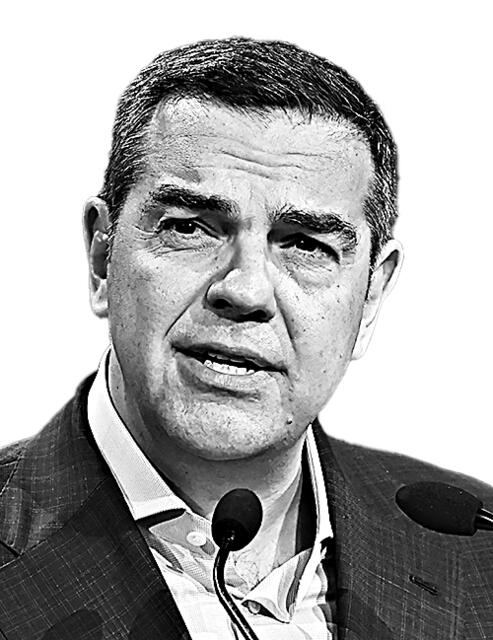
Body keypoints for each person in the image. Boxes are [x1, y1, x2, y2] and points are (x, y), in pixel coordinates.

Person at [0, 37, 491, 640]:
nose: (246, 289)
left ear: (371, 295)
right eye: (190, 228)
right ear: (103, 257)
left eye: (306, 245)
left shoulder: (477, 553)